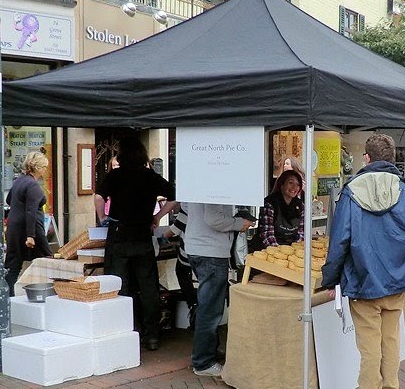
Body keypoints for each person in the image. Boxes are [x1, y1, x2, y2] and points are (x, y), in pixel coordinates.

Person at [322, 133, 405, 389]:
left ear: (366, 158)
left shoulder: (351, 191)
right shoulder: (404, 191)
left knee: (369, 350)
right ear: (392, 158)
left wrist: (331, 280)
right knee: (391, 343)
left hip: (363, 281)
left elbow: (339, 241)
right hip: (396, 281)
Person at [93, 137, 176, 351]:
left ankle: (122, 332)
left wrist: (102, 217)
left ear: (122, 155)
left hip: (119, 234)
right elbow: (175, 197)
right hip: (142, 235)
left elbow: (99, 198)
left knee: (118, 285)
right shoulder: (150, 176)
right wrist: (157, 217)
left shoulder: (116, 175)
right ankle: (151, 335)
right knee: (148, 287)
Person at [184, 203, 252, 378]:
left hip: (197, 247)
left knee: (208, 305)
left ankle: (206, 351)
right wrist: (239, 223)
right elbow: (213, 219)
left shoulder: (197, 187)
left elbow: (186, 206)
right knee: (211, 309)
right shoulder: (215, 190)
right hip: (211, 251)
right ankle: (203, 361)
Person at [5, 151, 52, 296]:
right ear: (38, 168)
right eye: (44, 167)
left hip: (13, 227)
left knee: (13, 265)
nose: (45, 170)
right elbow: (31, 211)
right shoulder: (32, 185)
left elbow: (8, 200)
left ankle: (6, 297)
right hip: (30, 229)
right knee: (47, 260)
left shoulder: (19, 181)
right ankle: (47, 293)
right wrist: (30, 236)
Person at [253, 169, 304, 250]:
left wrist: (294, 250)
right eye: (291, 183)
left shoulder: (300, 205)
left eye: (298, 184)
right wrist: (280, 252)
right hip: (268, 250)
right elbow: (267, 235)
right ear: (282, 185)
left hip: (291, 249)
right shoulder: (270, 204)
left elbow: (301, 232)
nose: (294, 187)